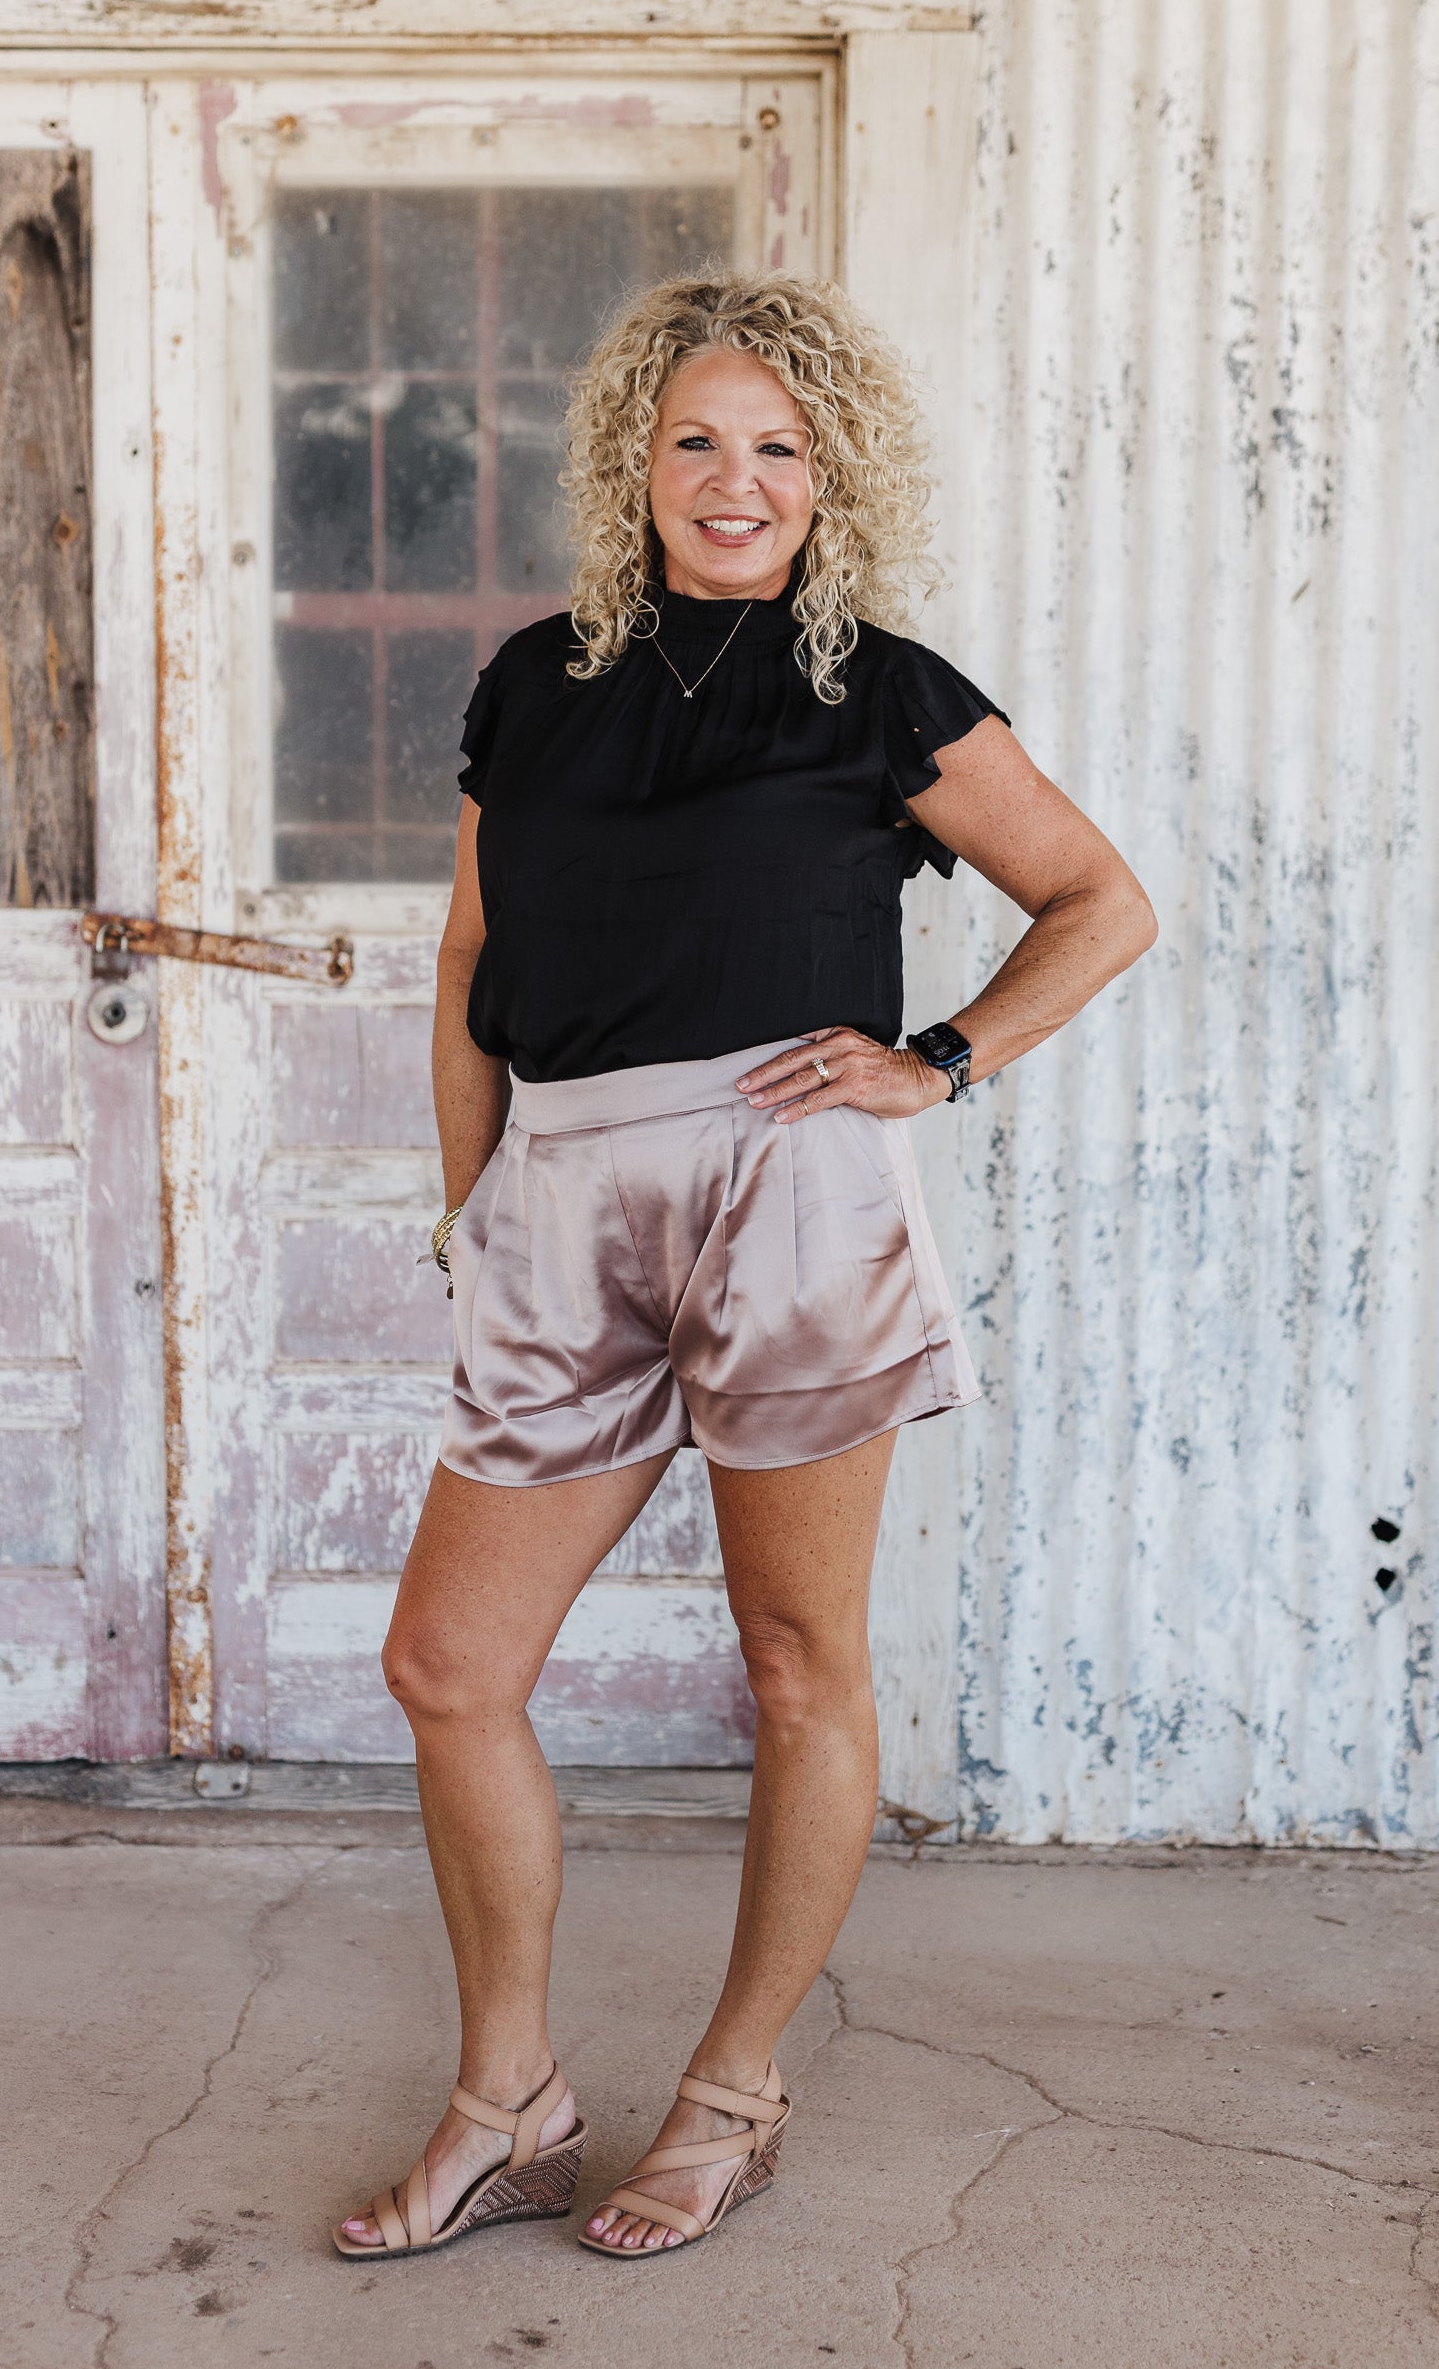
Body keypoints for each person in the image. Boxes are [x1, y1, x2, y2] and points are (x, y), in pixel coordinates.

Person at [332, 269, 1156, 2264]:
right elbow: (468, 960)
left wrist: (937, 1060)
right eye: (697, 439)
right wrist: (470, 1202)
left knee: (796, 1662)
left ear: (829, 475)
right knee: (448, 1666)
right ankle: (510, 2103)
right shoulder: (532, 683)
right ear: (633, 461)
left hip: (788, 1187)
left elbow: (1097, 900)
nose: (735, 479)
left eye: (778, 447)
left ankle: (733, 2093)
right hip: (561, 1186)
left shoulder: (884, 692)